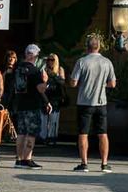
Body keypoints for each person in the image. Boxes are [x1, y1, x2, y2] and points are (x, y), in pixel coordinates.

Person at [69, 35, 117, 173]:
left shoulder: (82, 62)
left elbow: (73, 82)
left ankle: (84, 163)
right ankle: (104, 163)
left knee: (83, 133)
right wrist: (102, 84)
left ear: (87, 47)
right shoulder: (107, 62)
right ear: (99, 47)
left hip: (85, 102)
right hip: (101, 102)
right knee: (103, 133)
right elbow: (112, 83)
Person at [8, 44, 51, 169]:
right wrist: (46, 81)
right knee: (31, 133)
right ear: (35, 56)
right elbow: (40, 88)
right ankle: (27, 159)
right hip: (32, 105)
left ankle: (19, 159)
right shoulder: (34, 71)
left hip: (20, 104)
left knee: (21, 133)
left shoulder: (17, 69)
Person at [41, 54, 68, 146]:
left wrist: (54, 75)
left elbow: (62, 83)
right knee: (44, 118)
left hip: (56, 97)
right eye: (48, 59)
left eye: (52, 60)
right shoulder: (44, 69)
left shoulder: (60, 70)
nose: (50, 61)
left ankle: (52, 137)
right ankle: (43, 137)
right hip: (46, 95)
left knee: (54, 119)